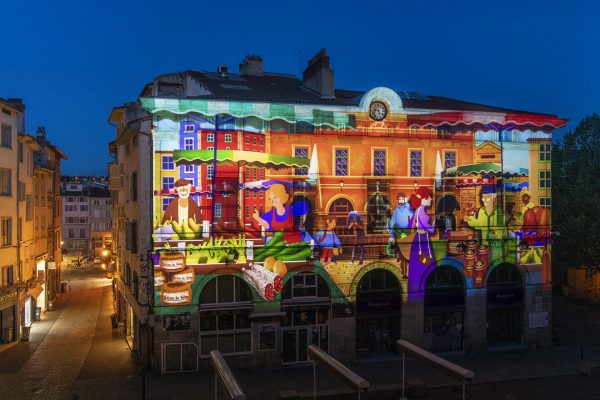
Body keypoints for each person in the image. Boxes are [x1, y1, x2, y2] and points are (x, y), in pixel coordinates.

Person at [464, 185, 506, 260]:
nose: (484, 199)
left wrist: (497, 234)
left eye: (487, 197)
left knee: (495, 260)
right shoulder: (481, 211)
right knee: (485, 260)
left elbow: (501, 226)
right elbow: (479, 224)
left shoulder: (498, 211)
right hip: (484, 242)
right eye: (483, 197)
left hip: (495, 244)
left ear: (493, 198)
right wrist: (469, 220)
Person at [408, 187, 435, 295]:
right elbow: (431, 230)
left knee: (417, 266)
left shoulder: (418, 210)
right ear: (424, 198)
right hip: (423, 239)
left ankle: (416, 287)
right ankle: (425, 286)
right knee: (428, 263)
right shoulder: (423, 212)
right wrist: (435, 222)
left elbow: (412, 225)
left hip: (417, 240)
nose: (431, 200)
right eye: (429, 198)